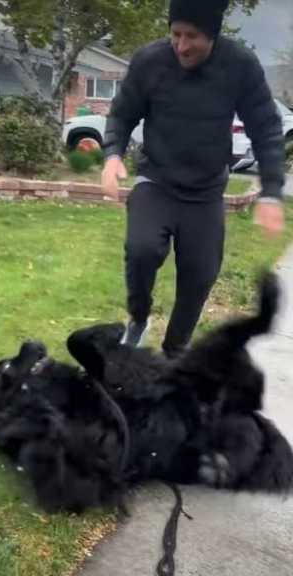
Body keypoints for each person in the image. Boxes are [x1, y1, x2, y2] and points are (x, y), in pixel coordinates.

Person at [101, 0, 285, 357]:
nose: (182, 46)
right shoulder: (149, 61)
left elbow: (266, 128)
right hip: (156, 179)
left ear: (213, 36)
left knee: (200, 274)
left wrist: (272, 191)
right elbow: (122, 114)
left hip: (205, 191)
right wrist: (111, 156)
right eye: (175, 34)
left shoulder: (240, 66)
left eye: (192, 37)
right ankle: (138, 319)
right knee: (141, 250)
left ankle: (176, 349)